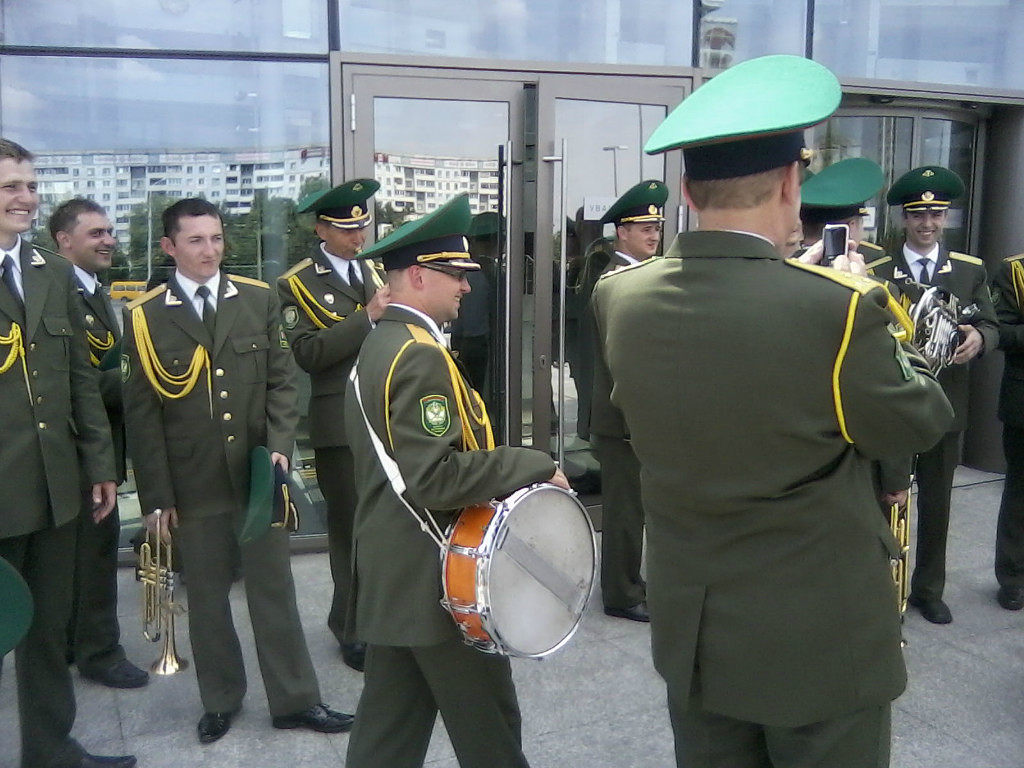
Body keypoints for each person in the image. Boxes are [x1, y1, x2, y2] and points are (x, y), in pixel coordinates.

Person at [590, 56, 954, 768]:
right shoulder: (839, 308)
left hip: (695, 629)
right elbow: (920, 419)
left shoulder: (619, 297)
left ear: (687, 192)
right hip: (817, 638)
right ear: (792, 183)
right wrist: (872, 308)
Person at [343, 193, 568, 768]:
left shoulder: (383, 343)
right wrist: (531, 462)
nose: (467, 285)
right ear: (419, 277)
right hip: (437, 578)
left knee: (387, 736)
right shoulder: (418, 355)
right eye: (456, 273)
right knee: (491, 734)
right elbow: (436, 479)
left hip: (397, 575)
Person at [122, 198, 353, 744]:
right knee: (207, 599)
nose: (210, 250)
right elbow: (142, 415)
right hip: (192, 482)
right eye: (196, 240)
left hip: (255, 478)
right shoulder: (145, 316)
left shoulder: (257, 298)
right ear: (169, 247)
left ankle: (296, 699)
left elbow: (281, 383)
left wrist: (279, 446)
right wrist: (157, 497)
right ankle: (220, 700)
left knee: (275, 593)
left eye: (217, 238)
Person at [0, 138, 133, 768]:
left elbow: (81, 377)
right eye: (10, 187)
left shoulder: (50, 272)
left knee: (47, 629)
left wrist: (99, 465)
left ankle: (50, 751)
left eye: (30, 186)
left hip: (55, 484)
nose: (26, 198)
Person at [866, 165, 998, 624]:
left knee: (938, 504)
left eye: (936, 215)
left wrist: (979, 338)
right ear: (904, 218)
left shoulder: (968, 270)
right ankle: (884, 591)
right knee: (887, 500)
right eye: (918, 215)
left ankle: (928, 589)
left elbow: (990, 322)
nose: (927, 224)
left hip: (945, 406)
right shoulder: (878, 271)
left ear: (945, 218)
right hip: (894, 407)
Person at [277, 179, 389, 671]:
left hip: (384, 415)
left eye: (362, 227)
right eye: (346, 230)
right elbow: (308, 353)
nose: (358, 237)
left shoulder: (375, 270)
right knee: (348, 530)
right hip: (338, 422)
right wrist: (367, 317)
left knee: (381, 526)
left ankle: (380, 616)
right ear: (322, 230)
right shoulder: (297, 283)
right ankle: (350, 626)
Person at [47, 198, 150, 690]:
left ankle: (71, 640)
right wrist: (144, 381)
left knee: (82, 555)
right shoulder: (61, 293)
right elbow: (76, 381)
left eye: (109, 231)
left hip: (100, 441)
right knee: (93, 555)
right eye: (96, 233)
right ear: (64, 240)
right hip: (81, 448)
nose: (109, 240)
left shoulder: (92, 289)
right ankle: (99, 652)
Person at [800, 158, 914, 514]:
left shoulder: (765, 283)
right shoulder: (874, 294)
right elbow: (892, 395)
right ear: (849, 229)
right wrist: (896, 475)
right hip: (856, 469)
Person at [583, 179, 668, 623]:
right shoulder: (616, 280)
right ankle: (621, 593)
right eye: (645, 228)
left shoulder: (638, 277)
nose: (654, 235)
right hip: (622, 420)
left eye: (657, 227)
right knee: (624, 513)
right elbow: (624, 360)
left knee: (635, 508)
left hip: (632, 417)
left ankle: (631, 582)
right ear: (622, 232)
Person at [989, 253, 1024, 610]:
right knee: (1020, 493)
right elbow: (999, 330)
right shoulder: (1015, 271)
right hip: (1023, 402)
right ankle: (1013, 578)